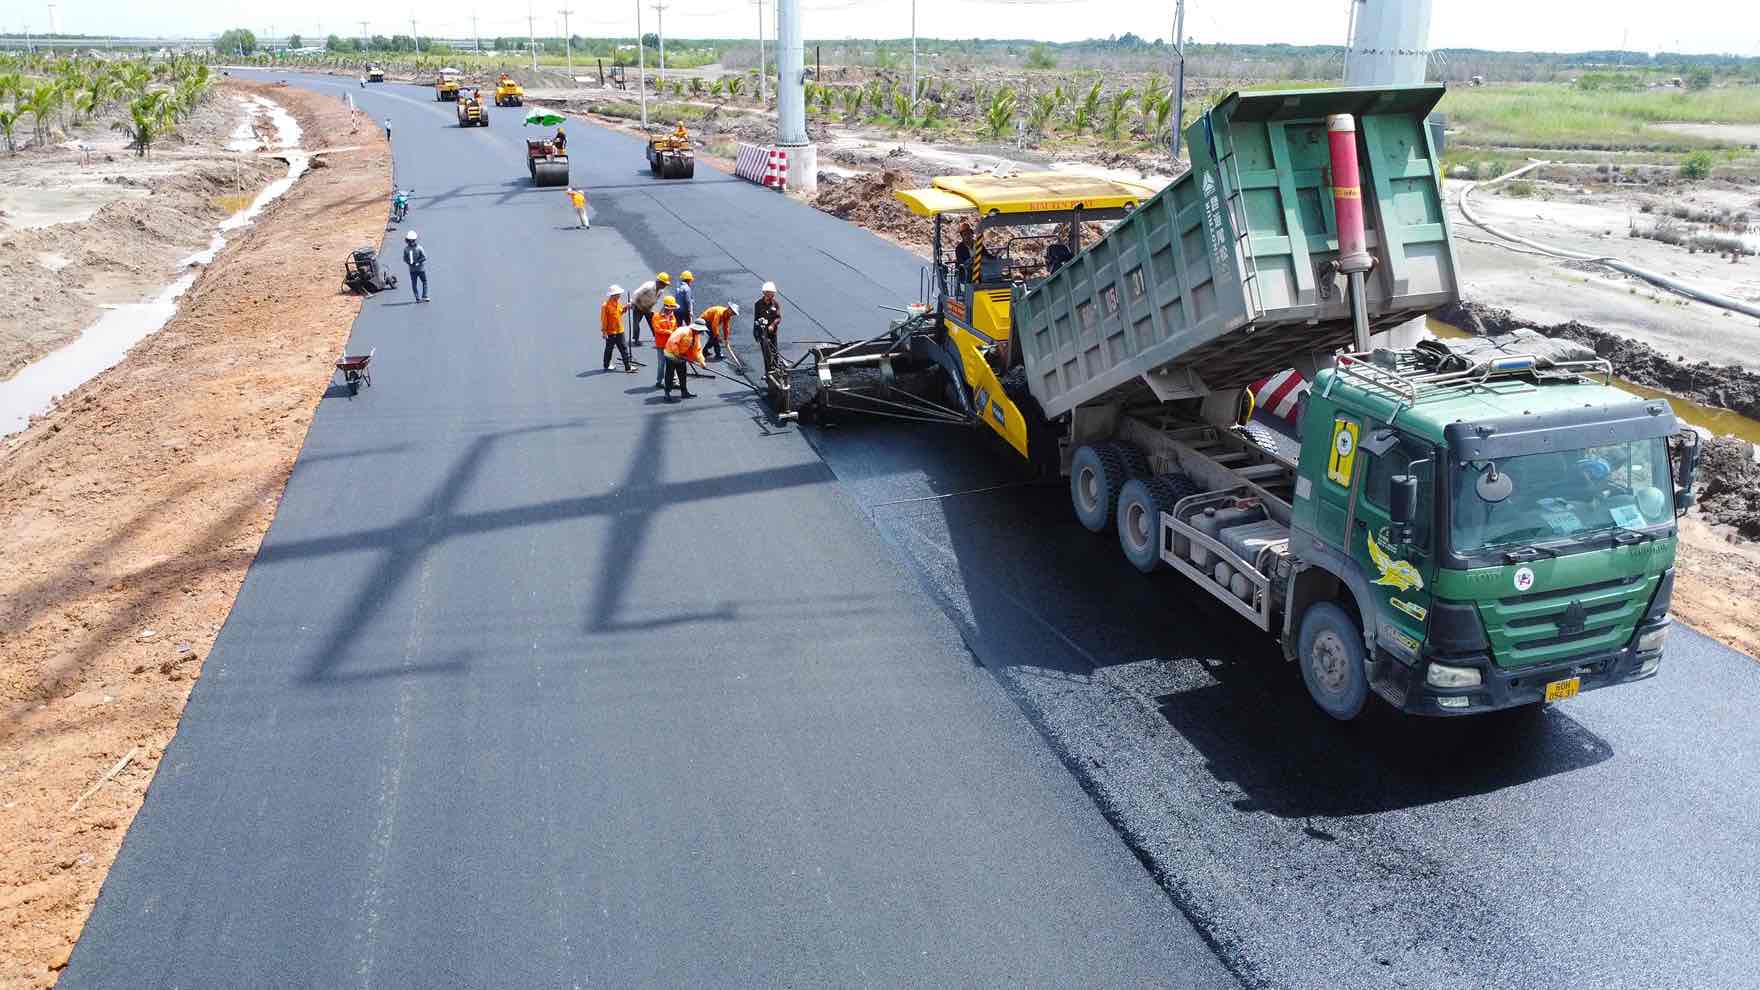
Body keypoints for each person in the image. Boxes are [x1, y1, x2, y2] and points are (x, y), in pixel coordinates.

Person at [662, 325, 708, 400]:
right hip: (671, 354)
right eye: (700, 331)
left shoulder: (696, 335)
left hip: (682, 355)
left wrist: (702, 362)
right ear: (696, 328)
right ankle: (667, 393)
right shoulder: (683, 331)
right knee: (669, 374)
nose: (701, 332)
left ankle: (684, 392)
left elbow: (697, 350)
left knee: (682, 375)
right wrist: (677, 354)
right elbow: (673, 342)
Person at [601, 285, 635, 372]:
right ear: (613, 295)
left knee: (624, 348)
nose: (619, 295)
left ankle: (627, 367)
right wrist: (604, 332)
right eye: (618, 294)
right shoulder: (605, 306)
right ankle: (607, 364)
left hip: (620, 330)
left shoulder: (617, 303)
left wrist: (626, 307)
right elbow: (604, 320)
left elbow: (620, 312)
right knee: (609, 349)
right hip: (611, 332)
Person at [629, 272, 668, 345]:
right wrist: (632, 303)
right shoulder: (648, 286)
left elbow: (655, 300)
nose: (665, 286)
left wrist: (650, 308)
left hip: (648, 308)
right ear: (660, 283)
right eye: (665, 284)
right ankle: (636, 339)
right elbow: (637, 293)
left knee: (653, 322)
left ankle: (657, 337)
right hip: (638, 306)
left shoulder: (660, 291)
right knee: (636, 323)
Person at [753, 281, 782, 374]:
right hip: (763, 333)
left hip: (772, 333)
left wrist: (773, 325)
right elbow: (756, 319)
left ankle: (776, 370)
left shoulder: (775, 304)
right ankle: (768, 373)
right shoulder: (758, 304)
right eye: (770, 294)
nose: (772, 296)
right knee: (766, 353)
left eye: (773, 294)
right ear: (765, 293)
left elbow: (778, 318)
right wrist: (756, 333)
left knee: (774, 351)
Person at [651, 296, 681, 387]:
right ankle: (659, 381)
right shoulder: (656, 316)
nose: (672, 310)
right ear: (666, 307)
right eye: (671, 308)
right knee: (662, 364)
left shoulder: (673, 316)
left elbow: (675, 327)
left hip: (671, 344)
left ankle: (674, 381)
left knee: (673, 362)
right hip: (661, 344)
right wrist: (669, 332)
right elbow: (657, 329)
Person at [402, 230, 429, 303]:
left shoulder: (406, 249)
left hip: (412, 270)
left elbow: (405, 259)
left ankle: (418, 298)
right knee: (424, 282)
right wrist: (417, 262)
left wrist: (411, 263)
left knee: (414, 284)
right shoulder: (419, 248)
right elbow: (424, 257)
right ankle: (424, 296)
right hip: (420, 269)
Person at [953, 221, 975, 286]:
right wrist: (972, 261)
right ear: (962, 236)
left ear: (972, 234)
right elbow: (962, 262)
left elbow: (986, 255)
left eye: (969, 234)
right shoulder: (959, 248)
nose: (968, 236)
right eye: (965, 235)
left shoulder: (978, 245)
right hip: (966, 274)